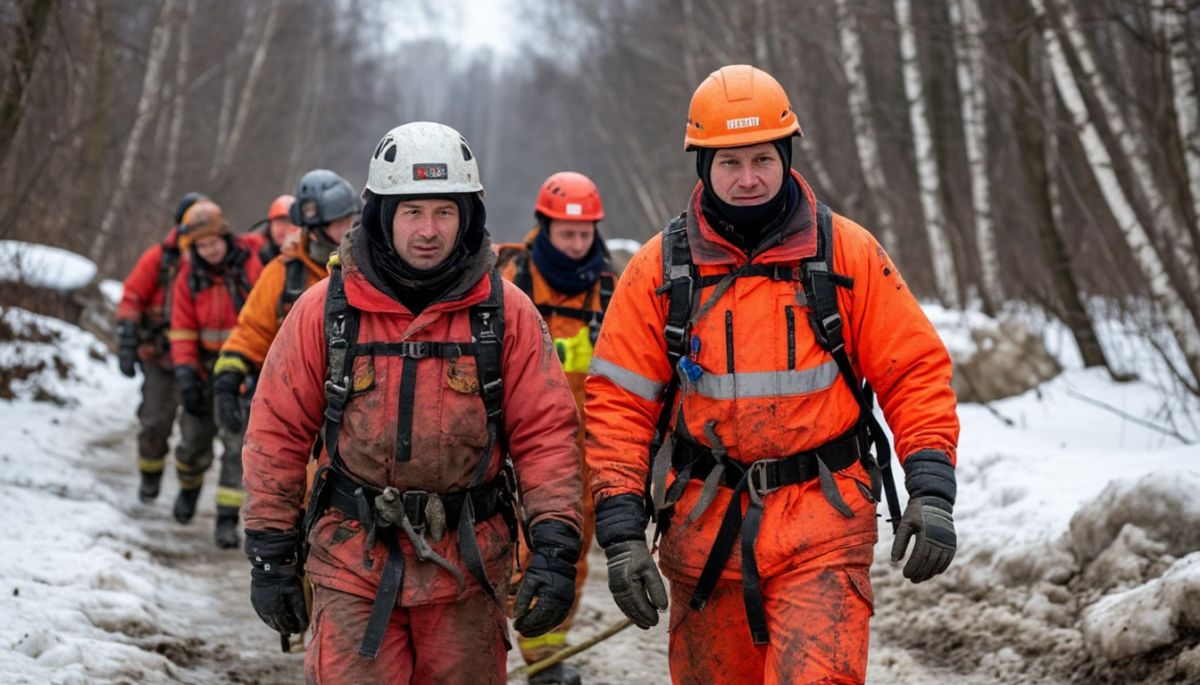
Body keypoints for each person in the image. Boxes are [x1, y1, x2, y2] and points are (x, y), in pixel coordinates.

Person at [585, 65, 960, 684]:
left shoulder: (846, 254)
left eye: (762, 158)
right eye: (729, 162)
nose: (749, 178)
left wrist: (931, 486)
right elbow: (619, 406)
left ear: (786, 156)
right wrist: (623, 530)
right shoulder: (659, 271)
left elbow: (913, 371)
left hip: (823, 528)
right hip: (702, 537)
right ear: (702, 165)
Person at [240, 122, 584, 683]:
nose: (429, 230)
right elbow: (276, 432)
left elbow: (547, 437)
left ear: (467, 217)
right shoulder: (325, 311)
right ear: (383, 215)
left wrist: (554, 545)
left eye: (444, 212)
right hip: (351, 565)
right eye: (412, 211)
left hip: (469, 572)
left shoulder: (508, 315)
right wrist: (270, 549)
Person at [497, 171, 616, 685]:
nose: (575, 244)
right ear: (544, 227)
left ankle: (544, 656)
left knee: (571, 550)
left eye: (584, 233)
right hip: (517, 444)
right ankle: (482, 650)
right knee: (510, 549)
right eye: (566, 233)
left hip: (583, 450)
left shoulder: (609, 289)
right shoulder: (512, 279)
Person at [212, 170, 358, 438]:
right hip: (291, 402)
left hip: (352, 406)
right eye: (339, 222)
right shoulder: (282, 273)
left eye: (350, 218)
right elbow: (252, 331)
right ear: (315, 230)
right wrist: (227, 380)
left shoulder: (365, 271)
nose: (348, 228)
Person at [167, 199, 263, 547]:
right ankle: (189, 488)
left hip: (241, 369)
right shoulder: (188, 278)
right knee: (193, 440)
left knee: (237, 444)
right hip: (203, 368)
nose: (209, 251)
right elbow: (181, 330)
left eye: (213, 243)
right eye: (202, 246)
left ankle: (226, 519)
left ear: (225, 237)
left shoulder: (251, 265)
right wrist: (185, 374)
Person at [116, 192, 205, 503]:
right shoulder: (158, 259)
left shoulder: (217, 263)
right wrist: (127, 340)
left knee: (196, 435)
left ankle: (189, 489)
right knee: (154, 423)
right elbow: (131, 298)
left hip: (199, 363)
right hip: (159, 358)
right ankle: (150, 477)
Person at [244, 194, 301, 265]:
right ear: (270, 225)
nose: (284, 228)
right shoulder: (254, 250)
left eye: (290, 222)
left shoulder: (309, 254)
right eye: (280, 222)